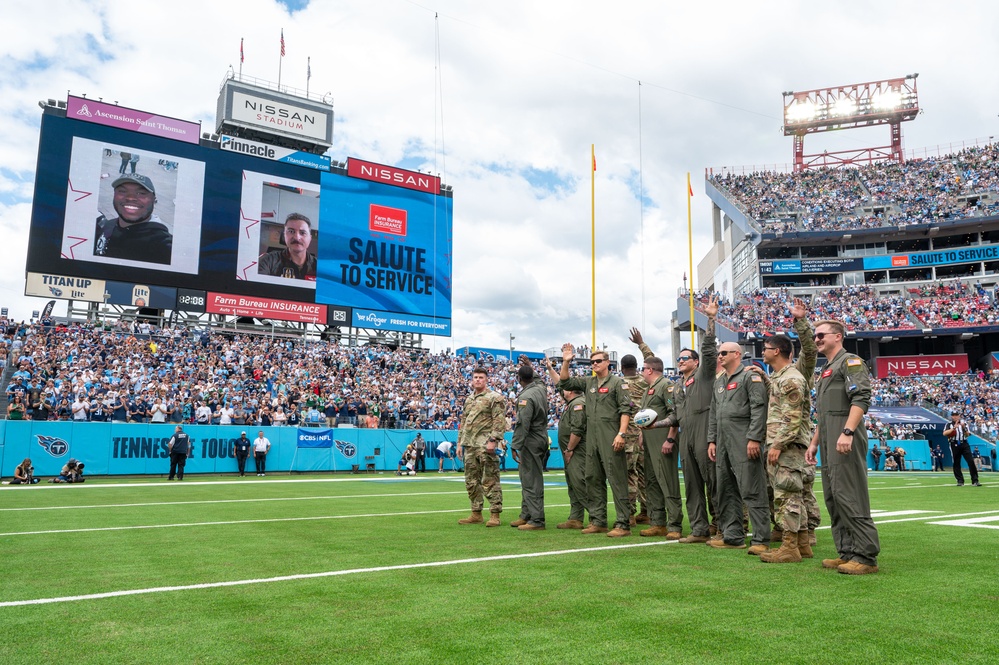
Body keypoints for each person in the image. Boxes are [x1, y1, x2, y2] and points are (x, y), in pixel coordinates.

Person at [806, 319, 880, 575]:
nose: (817, 339)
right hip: (828, 438)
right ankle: (847, 552)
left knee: (850, 494)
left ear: (838, 336)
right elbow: (823, 413)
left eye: (821, 335)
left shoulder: (851, 362)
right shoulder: (827, 368)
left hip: (844, 436)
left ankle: (865, 556)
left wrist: (847, 431)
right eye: (815, 336)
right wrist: (814, 443)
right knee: (834, 496)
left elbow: (861, 398)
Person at [557, 344, 635, 537]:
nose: (595, 364)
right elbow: (565, 383)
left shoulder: (617, 383)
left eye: (598, 361)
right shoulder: (589, 382)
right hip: (592, 437)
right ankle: (598, 520)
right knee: (593, 478)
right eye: (592, 362)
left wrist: (621, 434)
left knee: (617, 479)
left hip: (610, 435)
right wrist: (566, 361)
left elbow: (626, 410)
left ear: (608, 362)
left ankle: (623, 523)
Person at [707, 341, 771, 553]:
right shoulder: (719, 382)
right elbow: (714, 414)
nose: (720, 356)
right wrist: (712, 440)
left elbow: (759, 408)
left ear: (737, 354)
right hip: (723, 440)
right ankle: (733, 535)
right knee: (725, 488)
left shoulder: (750, 377)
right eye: (719, 353)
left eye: (724, 353)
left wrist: (754, 437)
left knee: (752, 488)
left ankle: (761, 539)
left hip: (743, 438)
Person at [756, 333, 810, 564]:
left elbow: (792, 418)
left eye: (765, 348)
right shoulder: (780, 377)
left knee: (786, 494)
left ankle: (790, 547)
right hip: (783, 443)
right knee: (792, 493)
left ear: (777, 351)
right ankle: (803, 544)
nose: (763, 352)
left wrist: (778, 444)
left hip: (787, 446)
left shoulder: (790, 379)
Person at [634, 356, 684, 540]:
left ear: (650, 370)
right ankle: (657, 522)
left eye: (643, 368)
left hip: (663, 441)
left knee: (668, 482)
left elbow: (675, 414)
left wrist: (670, 439)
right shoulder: (648, 389)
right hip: (650, 442)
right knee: (652, 482)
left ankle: (675, 525)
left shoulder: (667, 386)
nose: (641, 372)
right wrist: (641, 434)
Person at [456, 367, 506, 526]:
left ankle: (495, 514)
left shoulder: (494, 397)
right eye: (475, 377)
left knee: (490, 479)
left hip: (485, 445)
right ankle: (476, 513)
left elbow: (499, 420)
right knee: (471, 481)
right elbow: (463, 423)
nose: (477, 380)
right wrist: (459, 443)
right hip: (469, 445)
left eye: (480, 377)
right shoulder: (469, 399)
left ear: (486, 380)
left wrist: (494, 440)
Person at [546, 358, 589, 529]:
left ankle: (597, 517)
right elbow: (560, 383)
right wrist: (550, 369)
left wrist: (570, 449)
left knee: (580, 483)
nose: (561, 391)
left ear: (570, 391)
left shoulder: (578, 404)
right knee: (573, 484)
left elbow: (577, 430)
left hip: (577, 451)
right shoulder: (572, 401)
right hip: (571, 452)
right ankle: (576, 518)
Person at [94, 174, 173, 265]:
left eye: (141, 193)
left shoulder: (162, 245)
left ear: (154, 200)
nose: (130, 197)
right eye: (122, 191)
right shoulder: (108, 225)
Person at [510, 361, 549, 531]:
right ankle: (526, 514)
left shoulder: (526, 396)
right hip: (541, 436)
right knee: (528, 477)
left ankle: (536, 519)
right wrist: (531, 367)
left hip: (531, 438)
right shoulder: (540, 389)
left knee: (531, 479)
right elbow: (539, 380)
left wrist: (515, 445)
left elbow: (522, 423)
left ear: (519, 379)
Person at [618, 353, 649, 526]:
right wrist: (642, 344)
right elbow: (653, 361)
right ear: (637, 367)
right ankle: (647, 511)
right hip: (644, 435)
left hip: (627, 435)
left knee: (629, 475)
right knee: (644, 475)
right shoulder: (645, 381)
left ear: (622, 368)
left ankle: (629, 515)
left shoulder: (620, 384)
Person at [257, 213, 317, 280]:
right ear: (284, 235)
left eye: (302, 233)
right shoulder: (267, 261)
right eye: (291, 231)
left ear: (310, 238)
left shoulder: (320, 267)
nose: (297, 237)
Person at [943, 413, 981, 487]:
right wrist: (953, 428)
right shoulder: (949, 424)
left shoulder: (964, 424)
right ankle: (960, 480)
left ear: (959, 416)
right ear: (952, 416)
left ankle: (975, 480)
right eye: (953, 415)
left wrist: (963, 428)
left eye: (956, 415)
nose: (955, 417)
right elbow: (944, 433)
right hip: (954, 443)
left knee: (970, 461)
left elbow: (967, 435)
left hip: (964, 443)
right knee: (956, 462)